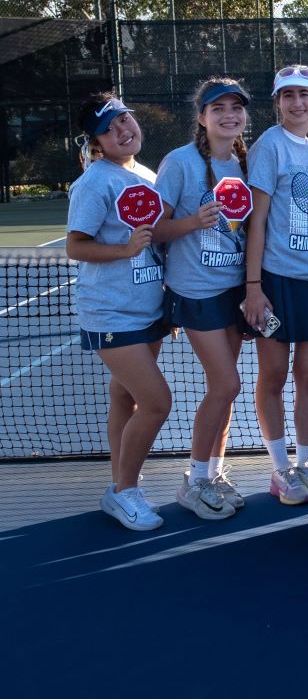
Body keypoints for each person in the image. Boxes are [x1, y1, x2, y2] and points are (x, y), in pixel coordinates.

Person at [66, 93, 171, 531]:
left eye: (125, 119)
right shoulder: (94, 183)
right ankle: (124, 491)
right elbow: (76, 246)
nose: (123, 130)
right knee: (157, 402)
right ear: (97, 141)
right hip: (111, 314)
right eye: (110, 129)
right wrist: (125, 249)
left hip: (150, 310)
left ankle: (121, 482)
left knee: (124, 397)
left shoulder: (147, 174)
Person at [243, 64, 308, 505]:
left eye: (304, 95)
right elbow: (257, 220)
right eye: (288, 96)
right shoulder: (270, 146)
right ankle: (280, 469)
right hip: (276, 280)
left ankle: (306, 463)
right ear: (278, 103)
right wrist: (254, 285)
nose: (297, 103)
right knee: (275, 375)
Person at [155, 78, 252, 519]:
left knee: (224, 387)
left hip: (235, 289)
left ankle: (212, 472)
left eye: (236, 108)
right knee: (228, 383)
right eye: (218, 109)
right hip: (195, 291)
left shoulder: (246, 164)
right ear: (202, 117)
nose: (229, 115)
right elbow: (154, 230)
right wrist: (194, 222)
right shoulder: (180, 163)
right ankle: (193, 481)